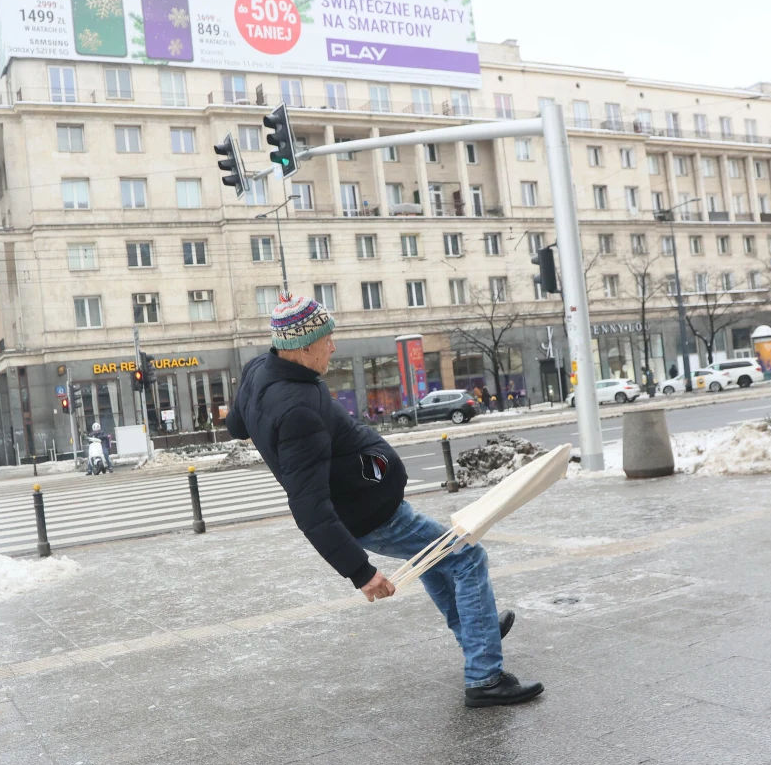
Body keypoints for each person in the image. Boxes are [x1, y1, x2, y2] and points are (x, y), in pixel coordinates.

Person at [226, 292, 543, 708]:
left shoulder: (258, 370)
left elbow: (237, 425)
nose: (333, 346)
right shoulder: (297, 409)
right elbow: (308, 507)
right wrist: (361, 572)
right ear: (302, 348)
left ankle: (475, 629)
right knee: (467, 557)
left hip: (367, 504)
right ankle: (485, 677)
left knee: (434, 558)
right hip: (371, 514)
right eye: (326, 339)